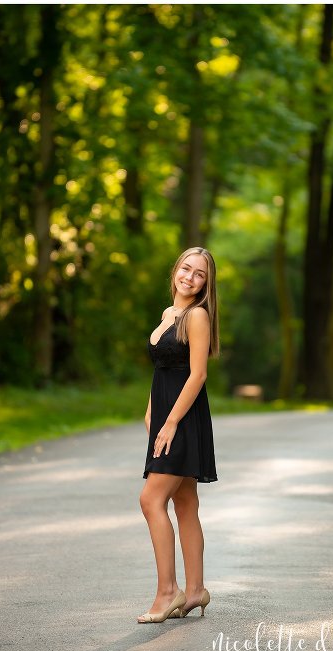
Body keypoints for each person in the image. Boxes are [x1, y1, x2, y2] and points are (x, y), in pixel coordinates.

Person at [137, 247, 219, 624]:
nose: (190, 276)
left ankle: (169, 591)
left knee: (151, 499)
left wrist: (170, 422)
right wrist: (152, 411)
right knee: (185, 502)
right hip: (166, 416)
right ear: (176, 270)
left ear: (206, 283)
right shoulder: (168, 314)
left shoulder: (197, 315)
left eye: (199, 273)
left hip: (184, 419)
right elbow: (165, 369)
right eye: (186, 268)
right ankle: (197, 589)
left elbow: (197, 374)